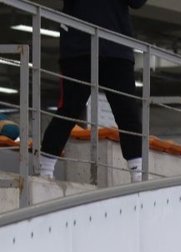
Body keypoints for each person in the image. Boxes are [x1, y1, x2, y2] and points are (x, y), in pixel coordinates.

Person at [39, 0, 147, 182]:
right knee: (69, 108)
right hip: (80, 46)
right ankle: (45, 168)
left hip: (115, 47)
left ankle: (138, 173)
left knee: (127, 111)